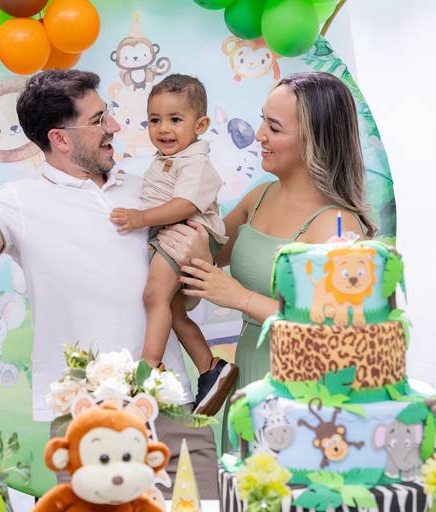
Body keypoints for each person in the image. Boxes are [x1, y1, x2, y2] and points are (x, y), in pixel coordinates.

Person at [0, 69, 219, 497]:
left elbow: (183, 296)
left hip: (171, 403)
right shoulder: (19, 203)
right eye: (98, 120)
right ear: (60, 139)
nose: (114, 126)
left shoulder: (151, 193)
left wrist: (201, 256)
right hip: (85, 416)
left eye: (107, 114)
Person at [154, 71, 378, 450]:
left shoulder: (338, 225)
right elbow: (197, 264)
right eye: (263, 120)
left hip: (302, 390)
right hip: (250, 376)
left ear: (315, 140)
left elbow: (338, 330)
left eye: (274, 127)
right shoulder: (258, 199)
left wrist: (240, 298)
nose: (259, 135)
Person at [108, 74, 238, 416]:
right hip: (171, 234)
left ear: (201, 125)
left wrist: (141, 218)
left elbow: (185, 204)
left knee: (154, 295)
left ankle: (149, 367)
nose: (163, 129)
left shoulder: (196, 162)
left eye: (175, 120)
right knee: (174, 310)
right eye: (155, 120)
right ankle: (210, 367)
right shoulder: (171, 157)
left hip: (183, 233)